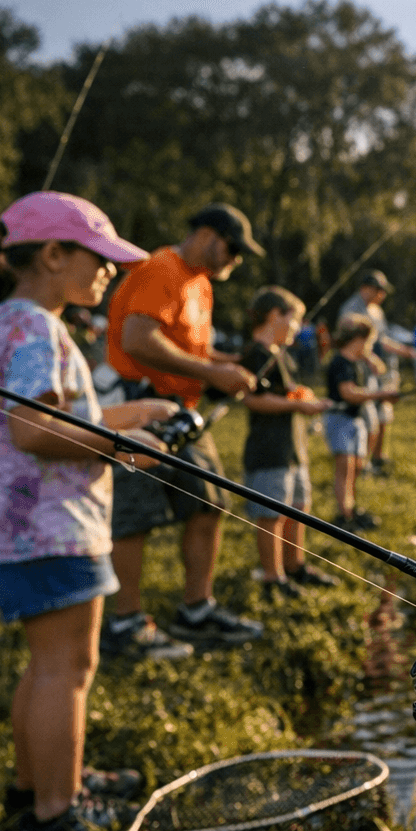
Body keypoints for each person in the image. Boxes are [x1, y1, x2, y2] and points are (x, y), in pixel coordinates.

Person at [0, 192, 173, 831]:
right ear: (52, 255)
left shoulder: (9, 321)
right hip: (49, 527)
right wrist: (119, 448)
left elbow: (58, 418)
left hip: (19, 528)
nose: (109, 272)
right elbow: (34, 430)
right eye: (99, 258)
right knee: (66, 670)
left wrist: (135, 417)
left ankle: (39, 783)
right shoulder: (35, 327)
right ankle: (55, 818)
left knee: (46, 667)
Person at [100, 203, 264, 656]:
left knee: (210, 502)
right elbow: (138, 340)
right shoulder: (162, 269)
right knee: (134, 515)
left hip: (182, 410)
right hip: (139, 406)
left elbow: (195, 347)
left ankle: (196, 609)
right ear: (209, 235)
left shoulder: (201, 284)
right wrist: (213, 375)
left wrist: (233, 367)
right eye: (233, 249)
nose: (236, 260)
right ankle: (125, 623)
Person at [239, 286, 337, 600]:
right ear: (274, 316)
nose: (297, 328)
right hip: (269, 450)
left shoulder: (278, 355)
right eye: (294, 320)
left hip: (293, 449)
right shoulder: (255, 353)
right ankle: (273, 577)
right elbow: (253, 400)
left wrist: (302, 396)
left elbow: (285, 391)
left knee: (298, 507)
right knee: (272, 514)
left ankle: (295, 565)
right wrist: (298, 405)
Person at [335, 269, 413, 476]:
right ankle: (364, 464)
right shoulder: (350, 309)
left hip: (379, 371)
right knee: (369, 418)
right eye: (378, 290)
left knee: (383, 415)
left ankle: (378, 458)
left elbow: (383, 339)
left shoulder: (378, 312)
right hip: (362, 371)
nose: (382, 295)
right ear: (365, 288)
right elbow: (347, 341)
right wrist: (369, 358)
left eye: (383, 291)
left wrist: (404, 350)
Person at [323, 318, 395, 532]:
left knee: (355, 467)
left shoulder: (356, 361)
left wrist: (367, 355)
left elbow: (379, 369)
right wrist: (381, 394)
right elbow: (349, 393)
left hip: (355, 420)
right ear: (357, 339)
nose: (370, 347)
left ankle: (351, 509)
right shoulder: (340, 363)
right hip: (340, 419)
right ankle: (342, 515)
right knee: (344, 468)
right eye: (368, 342)